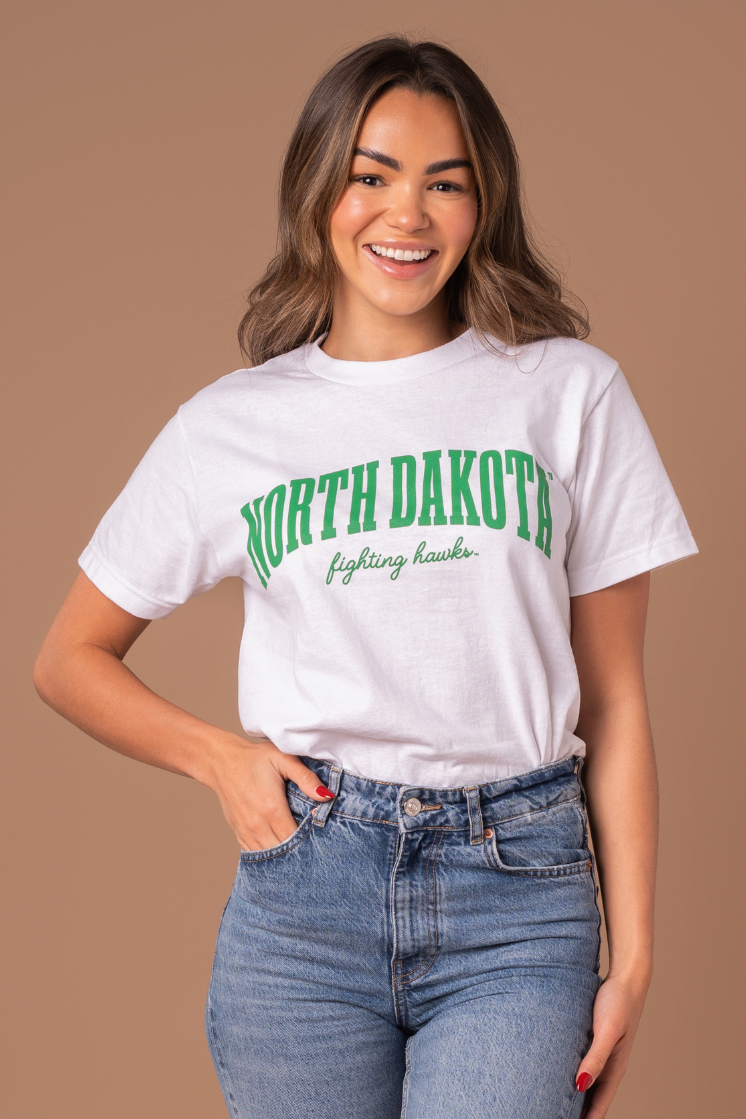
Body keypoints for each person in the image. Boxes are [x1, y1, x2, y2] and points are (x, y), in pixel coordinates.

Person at [34, 37, 697, 1119]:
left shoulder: (566, 394)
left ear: (485, 206)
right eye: (372, 175)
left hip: (518, 896)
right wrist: (221, 761)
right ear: (318, 190)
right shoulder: (233, 426)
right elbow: (67, 660)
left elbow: (616, 701)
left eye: (447, 183)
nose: (407, 215)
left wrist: (632, 964)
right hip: (308, 900)